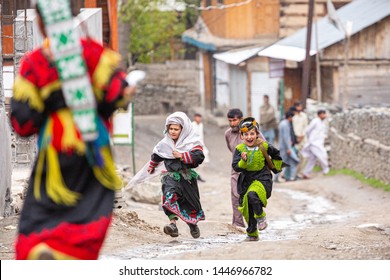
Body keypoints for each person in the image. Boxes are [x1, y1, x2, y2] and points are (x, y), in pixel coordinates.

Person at [10, 1, 136, 260]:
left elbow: (22, 124)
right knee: (87, 229)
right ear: (73, 17)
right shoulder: (96, 55)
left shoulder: (34, 64)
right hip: (95, 158)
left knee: (38, 225)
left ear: (41, 22)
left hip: (54, 159)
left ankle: (43, 253)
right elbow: (118, 96)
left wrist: (51, 99)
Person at [147, 112, 205, 238]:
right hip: (170, 176)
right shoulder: (165, 143)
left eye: (176, 129)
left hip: (186, 177)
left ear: (182, 130)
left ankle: (192, 224)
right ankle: (172, 225)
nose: (172, 132)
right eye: (171, 129)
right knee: (169, 196)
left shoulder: (191, 142)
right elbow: (157, 154)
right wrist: (152, 166)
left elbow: (199, 156)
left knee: (190, 203)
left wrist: (182, 156)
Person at [232, 117, 284, 241]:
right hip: (246, 180)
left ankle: (261, 217)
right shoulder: (239, 149)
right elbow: (235, 167)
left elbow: (276, 154)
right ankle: (252, 233)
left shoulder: (264, 146)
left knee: (252, 195)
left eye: (252, 134)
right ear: (241, 136)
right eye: (246, 134)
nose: (249, 137)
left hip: (262, 178)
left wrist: (276, 167)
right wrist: (243, 161)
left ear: (257, 134)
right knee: (247, 207)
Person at [224, 109, 246, 228]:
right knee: (235, 195)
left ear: (241, 119)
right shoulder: (228, 134)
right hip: (236, 170)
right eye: (230, 121)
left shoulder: (250, 131)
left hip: (250, 170)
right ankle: (238, 224)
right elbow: (231, 149)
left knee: (250, 197)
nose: (232, 123)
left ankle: (253, 223)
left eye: (235, 120)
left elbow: (263, 145)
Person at [301, 109, 330, 178]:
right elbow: (308, 130)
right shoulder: (315, 121)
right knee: (323, 155)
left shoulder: (323, 122)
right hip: (314, 143)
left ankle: (306, 173)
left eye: (324, 114)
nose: (324, 116)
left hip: (319, 143)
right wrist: (311, 139)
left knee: (312, 159)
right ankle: (326, 169)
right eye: (323, 114)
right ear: (319, 115)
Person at [276, 111, 300, 182]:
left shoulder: (282, 123)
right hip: (285, 147)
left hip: (284, 146)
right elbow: (286, 137)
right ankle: (276, 177)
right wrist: (288, 148)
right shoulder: (285, 125)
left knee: (290, 161)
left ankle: (291, 177)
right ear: (290, 117)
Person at [292, 101, 308, 176]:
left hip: (303, 139)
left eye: (300, 107)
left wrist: (301, 136)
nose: (299, 108)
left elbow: (305, 127)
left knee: (303, 157)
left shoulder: (304, 116)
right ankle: (294, 173)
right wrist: (296, 138)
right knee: (295, 157)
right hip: (295, 140)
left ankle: (300, 172)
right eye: (298, 107)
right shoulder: (293, 117)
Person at [192, 113, 209, 182]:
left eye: (200, 117)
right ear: (195, 118)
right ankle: (194, 175)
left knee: (204, 159)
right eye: (197, 117)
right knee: (194, 160)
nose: (199, 119)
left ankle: (198, 175)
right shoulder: (192, 125)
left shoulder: (201, 125)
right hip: (193, 146)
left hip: (201, 145)